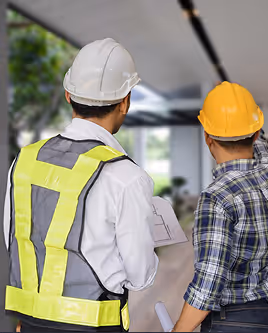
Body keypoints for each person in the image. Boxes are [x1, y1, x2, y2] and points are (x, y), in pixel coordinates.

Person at [3, 38, 158, 332]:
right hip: (94, 326)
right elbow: (140, 276)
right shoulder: (126, 176)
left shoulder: (23, 161)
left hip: (31, 322)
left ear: (67, 94)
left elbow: (15, 240)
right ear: (125, 102)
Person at [173, 82, 268, 332]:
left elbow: (209, 283)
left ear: (207, 137)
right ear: (256, 133)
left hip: (234, 322)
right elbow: (259, 144)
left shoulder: (217, 198)